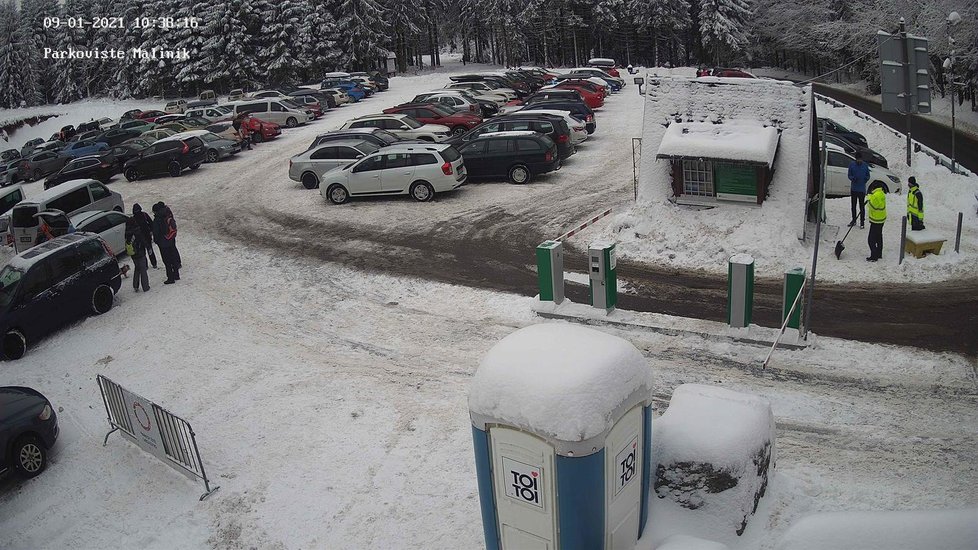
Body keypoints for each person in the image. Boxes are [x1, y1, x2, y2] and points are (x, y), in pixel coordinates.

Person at [152, 201, 181, 284]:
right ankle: (176, 274)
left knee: (167, 261)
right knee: (173, 257)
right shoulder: (167, 213)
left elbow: (156, 233)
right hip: (171, 239)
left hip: (163, 243)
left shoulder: (157, 219)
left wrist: (157, 241)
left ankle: (170, 278)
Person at [124, 216, 150, 292]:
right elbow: (143, 240)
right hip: (140, 252)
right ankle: (145, 287)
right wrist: (148, 247)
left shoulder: (126, 232)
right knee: (143, 269)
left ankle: (135, 285)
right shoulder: (137, 230)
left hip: (132, 253)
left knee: (137, 268)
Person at [847, 152, 870, 228]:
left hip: (861, 190)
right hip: (854, 189)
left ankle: (862, 222)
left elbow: (868, 175)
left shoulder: (865, 165)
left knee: (861, 206)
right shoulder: (852, 165)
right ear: (856, 159)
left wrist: (864, 180)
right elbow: (849, 175)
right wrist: (853, 178)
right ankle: (853, 220)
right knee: (853, 206)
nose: (859, 161)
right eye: (858, 159)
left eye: (860, 159)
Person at [131, 203, 158, 268]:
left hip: (139, 238)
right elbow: (151, 223)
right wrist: (151, 231)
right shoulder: (144, 215)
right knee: (150, 250)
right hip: (147, 236)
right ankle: (154, 263)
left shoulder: (133, 218)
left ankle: (145, 265)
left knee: (143, 252)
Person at [866, 183, 887, 262]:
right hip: (881, 219)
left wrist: (869, 198)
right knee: (878, 237)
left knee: (871, 239)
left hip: (876, 220)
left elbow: (872, 206)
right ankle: (879, 253)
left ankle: (874, 256)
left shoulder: (875, 196)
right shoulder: (881, 193)